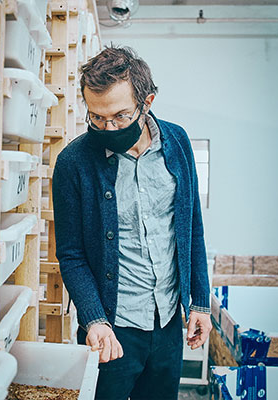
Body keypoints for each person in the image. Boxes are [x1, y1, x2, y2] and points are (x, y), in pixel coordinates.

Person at [52, 46, 212, 400]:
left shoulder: (179, 142)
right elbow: (72, 254)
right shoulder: (73, 163)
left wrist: (200, 301)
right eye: (96, 117)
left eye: (120, 116)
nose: (108, 127)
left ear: (147, 101)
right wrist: (93, 318)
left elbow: (191, 228)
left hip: (168, 321)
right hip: (112, 329)